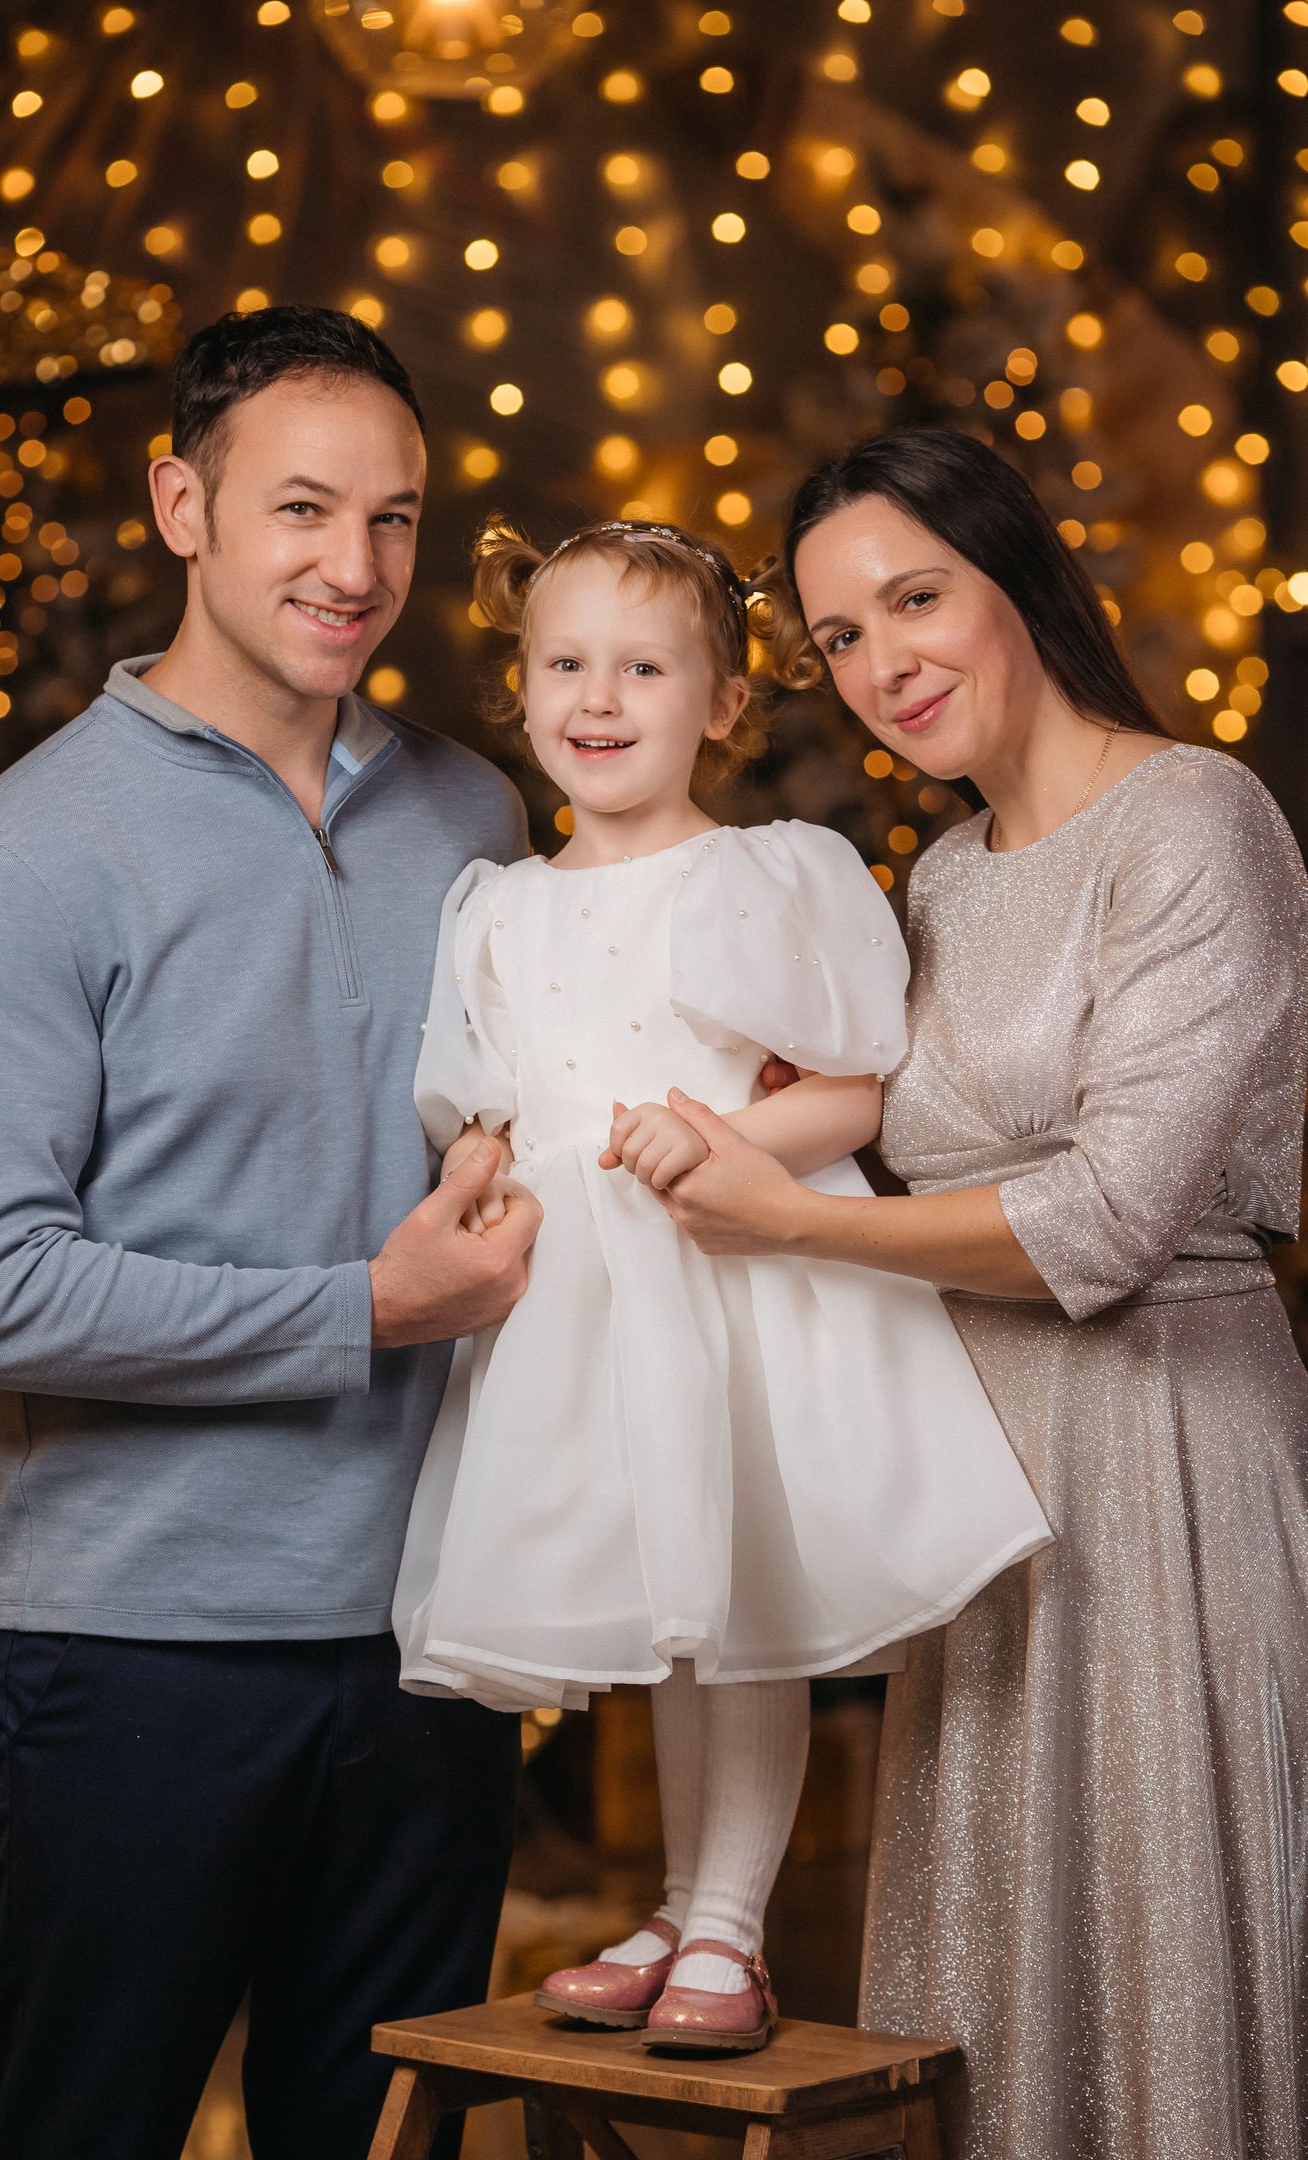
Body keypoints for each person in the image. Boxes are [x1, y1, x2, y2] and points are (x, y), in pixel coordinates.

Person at [0, 306, 541, 2160]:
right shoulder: (36, 844)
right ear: (184, 507)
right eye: (303, 510)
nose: (357, 568)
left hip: (435, 1640)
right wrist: (366, 1307)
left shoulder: (477, 815)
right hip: (137, 1656)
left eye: (396, 519)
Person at [647, 430, 1308, 2156]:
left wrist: (788, 1227)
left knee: (1168, 1966)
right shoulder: (940, 879)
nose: (884, 664)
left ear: (1016, 575)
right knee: (1000, 1982)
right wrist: (776, 1116)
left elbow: (1109, 1217)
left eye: (915, 599)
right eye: (839, 637)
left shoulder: (1196, 819)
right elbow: (915, 1164)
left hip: (1168, 1461)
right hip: (983, 1490)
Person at [390, 513, 1051, 2054]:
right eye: (566, 664)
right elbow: (493, 1106)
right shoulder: (498, 907)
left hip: (734, 1280)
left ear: (724, 703)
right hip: (583, 1307)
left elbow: (853, 1092)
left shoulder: (765, 873)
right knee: (666, 1618)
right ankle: (683, 1904)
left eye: (644, 667)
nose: (599, 697)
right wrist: (476, 1166)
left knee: (735, 1610)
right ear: (521, 686)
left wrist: (725, 1145)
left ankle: (733, 1933)